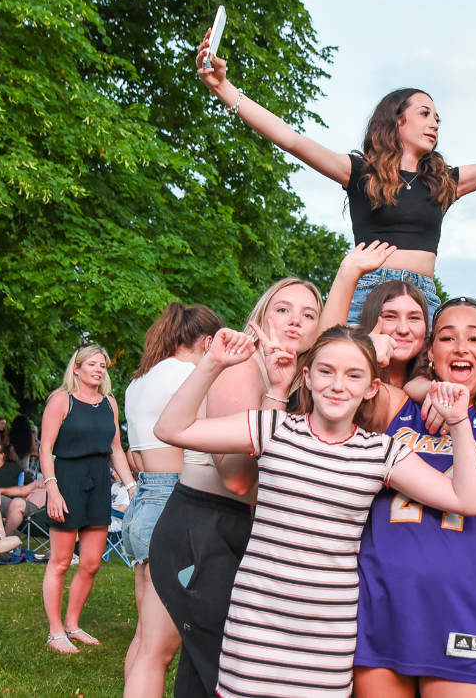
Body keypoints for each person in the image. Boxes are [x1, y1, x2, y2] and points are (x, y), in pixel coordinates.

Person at [195, 30, 476, 324]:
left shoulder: (444, 182)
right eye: (424, 114)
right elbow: (290, 139)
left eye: (438, 117)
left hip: (424, 294)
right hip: (367, 293)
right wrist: (224, 90)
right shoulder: (358, 171)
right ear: (396, 120)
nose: (435, 123)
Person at [154, 325, 476, 698]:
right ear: (308, 378)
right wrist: (213, 362)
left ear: (371, 389)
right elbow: (171, 428)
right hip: (255, 627)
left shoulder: (380, 452)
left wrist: (459, 422)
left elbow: (468, 500)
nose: (338, 385)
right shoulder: (272, 429)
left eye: (354, 375)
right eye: (326, 371)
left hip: (326, 639)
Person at [146, 277, 324, 696]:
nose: (294, 321)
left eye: (308, 314)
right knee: (224, 671)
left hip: (230, 530)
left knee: (202, 670)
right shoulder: (244, 367)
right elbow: (239, 478)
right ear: (261, 315)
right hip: (202, 529)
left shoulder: (299, 377)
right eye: (282, 309)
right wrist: (277, 396)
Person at [352, 296, 476, 696]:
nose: (461, 347)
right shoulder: (397, 404)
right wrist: (371, 350)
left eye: (474, 339)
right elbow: (333, 378)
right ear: (430, 351)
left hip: (460, 599)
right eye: (447, 338)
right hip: (383, 595)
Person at [121, 302, 224, 698]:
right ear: (208, 341)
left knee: (146, 640)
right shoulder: (191, 374)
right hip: (172, 499)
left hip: (141, 501)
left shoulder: (138, 380)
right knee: (162, 648)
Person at [40, 344, 138, 654]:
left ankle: (72, 624)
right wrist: (52, 489)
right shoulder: (61, 400)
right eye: (92, 364)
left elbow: (116, 450)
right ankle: (55, 633)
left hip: (99, 483)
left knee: (92, 563)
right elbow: (45, 449)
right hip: (66, 481)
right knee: (60, 562)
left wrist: (131, 484)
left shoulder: (109, 403)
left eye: (102, 365)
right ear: (77, 368)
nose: (98, 369)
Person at [0, 433, 43, 536]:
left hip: (8, 505)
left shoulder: (12, 468)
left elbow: (27, 487)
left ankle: (1, 539)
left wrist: (0, 491)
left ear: (1, 455)